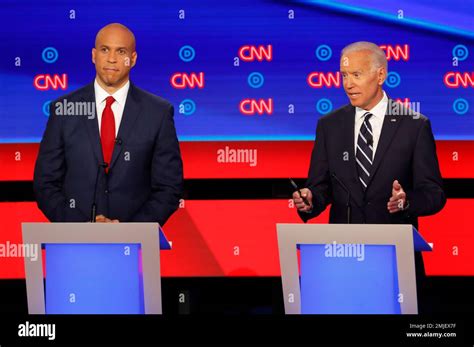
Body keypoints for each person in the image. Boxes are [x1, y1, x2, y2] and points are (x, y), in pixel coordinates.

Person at [292, 41, 446, 312]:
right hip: (342, 260)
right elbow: (320, 187)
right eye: (343, 75)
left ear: (380, 75)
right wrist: (309, 199)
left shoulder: (414, 125)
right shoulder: (329, 125)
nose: (347, 84)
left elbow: (434, 194)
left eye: (356, 75)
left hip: (395, 262)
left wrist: (406, 201)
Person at [34, 23, 183, 225]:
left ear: (133, 59)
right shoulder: (63, 109)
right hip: (74, 243)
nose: (112, 59)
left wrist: (130, 231)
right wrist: (81, 228)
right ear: (93, 55)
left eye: (121, 51)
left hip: (134, 244)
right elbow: (45, 184)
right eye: (105, 50)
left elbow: (168, 188)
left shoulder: (158, 113)